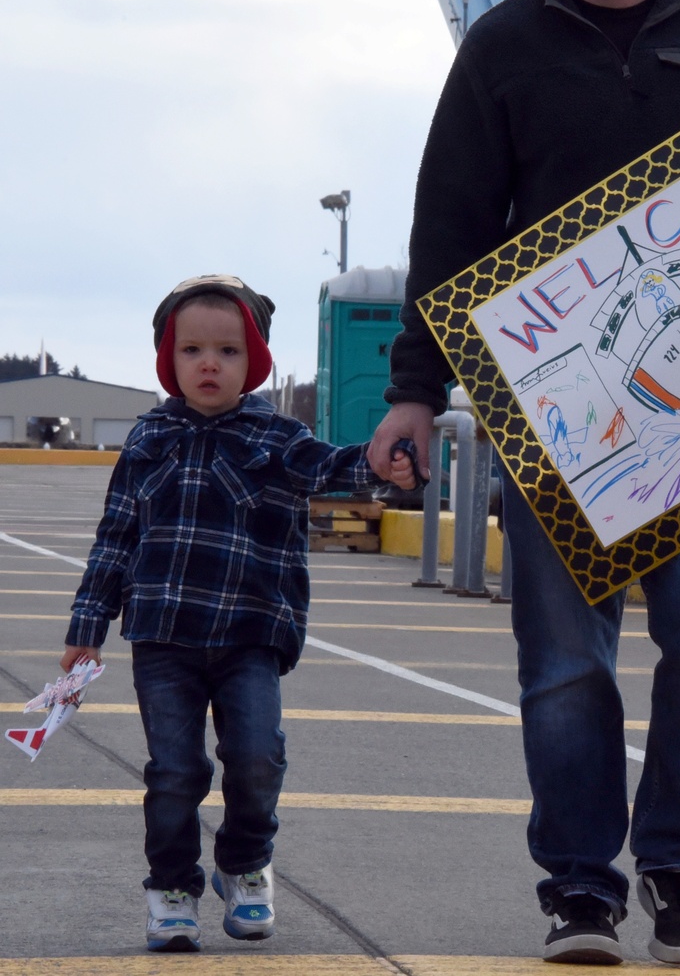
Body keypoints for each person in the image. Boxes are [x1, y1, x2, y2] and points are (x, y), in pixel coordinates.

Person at [369, 0, 680, 966]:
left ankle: (679, 866)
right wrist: (414, 388)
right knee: (563, 662)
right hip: (558, 415)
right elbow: (448, 227)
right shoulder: (504, 45)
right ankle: (579, 888)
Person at [62, 274, 416, 953]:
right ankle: (171, 886)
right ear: (169, 360)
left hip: (251, 634)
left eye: (227, 350)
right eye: (191, 348)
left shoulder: (278, 436)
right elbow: (114, 538)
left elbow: (337, 466)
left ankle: (244, 860)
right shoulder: (146, 439)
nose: (208, 363)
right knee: (174, 771)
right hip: (163, 637)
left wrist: (386, 466)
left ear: (253, 361)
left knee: (257, 758)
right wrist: (86, 629)